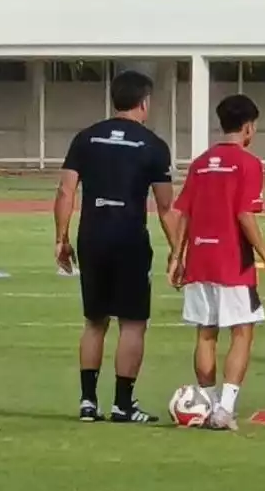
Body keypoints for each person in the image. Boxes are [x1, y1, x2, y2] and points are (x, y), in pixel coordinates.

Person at [54, 70, 179, 423]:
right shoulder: (153, 145)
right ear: (144, 102)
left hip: (91, 235)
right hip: (129, 238)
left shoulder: (85, 138)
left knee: (95, 321)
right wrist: (178, 251)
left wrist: (61, 238)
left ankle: (88, 402)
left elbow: (66, 191)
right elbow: (167, 207)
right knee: (133, 322)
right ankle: (123, 404)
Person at [169, 94, 265, 431]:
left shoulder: (201, 162)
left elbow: (185, 213)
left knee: (205, 334)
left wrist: (177, 257)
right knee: (242, 332)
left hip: (199, 260)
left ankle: (204, 404)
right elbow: (245, 215)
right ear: (249, 127)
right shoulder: (249, 163)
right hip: (232, 262)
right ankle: (224, 408)